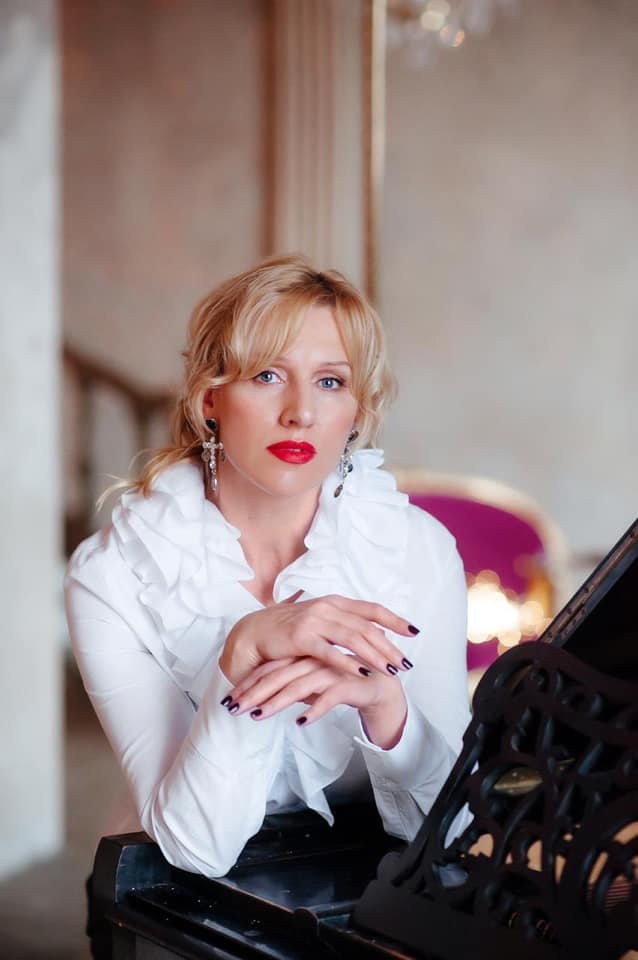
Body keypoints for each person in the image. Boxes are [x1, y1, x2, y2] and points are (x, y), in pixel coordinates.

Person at [65, 255, 470, 890]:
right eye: (267, 375)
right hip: (172, 900)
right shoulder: (113, 575)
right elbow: (196, 846)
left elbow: (456, 828)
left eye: (331, 381)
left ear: (357, 410)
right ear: (210, 399)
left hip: (375, 891)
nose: (301, 412)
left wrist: (391, 715)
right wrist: (240, 657)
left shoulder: (419, 550)